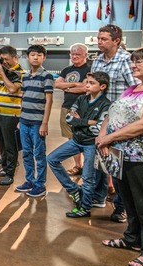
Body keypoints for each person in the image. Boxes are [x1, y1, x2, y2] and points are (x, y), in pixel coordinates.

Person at [97, 46, 143, 266]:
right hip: (120, 155)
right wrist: (102, 136)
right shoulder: (131, 89)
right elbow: (112, 112)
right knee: (128, 201)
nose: (134, 65)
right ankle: (132, 239)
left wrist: (110, 137)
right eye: (133, 61)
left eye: (140, 61)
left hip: (142, 157)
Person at [91, 24, 140, 223]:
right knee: (103, 162)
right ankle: (99, 197)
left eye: (103, 39)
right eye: (98, 38)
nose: (99, 42)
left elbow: (136, 88)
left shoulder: (126, 60)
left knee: (121, 167)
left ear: (116, 41)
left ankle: (121, 208)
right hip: (102, 119)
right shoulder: (96, 62)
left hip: (123, 121)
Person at [48, 71, 111, 217]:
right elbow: (69, 118)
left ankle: (85, 207)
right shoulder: (82, 99)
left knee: (88, 178)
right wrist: (86, 122)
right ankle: (74, 189)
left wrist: (78, 121)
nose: (87, 85)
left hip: (91, 145)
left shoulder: (106, 105)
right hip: (77, 141)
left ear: (102, 86)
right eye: (86, 82)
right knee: (52, 159)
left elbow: (98, 128)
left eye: (91, 83)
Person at [15, 45, 54, 197]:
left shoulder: (47, 76)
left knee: (39, 154)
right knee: (26, 153)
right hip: (24, 121)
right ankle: (29, 180)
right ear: (27, 57)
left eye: (39, 55)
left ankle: (40, 184)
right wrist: (20, 118)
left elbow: (49, 101)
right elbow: (23, 98)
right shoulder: (25, 76)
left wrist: (44, 123)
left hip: (37, 123)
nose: (35, 57)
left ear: (44, 57)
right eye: (32, 54)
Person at [0, 45, 25, 185]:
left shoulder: (19, 72)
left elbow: (13, 89)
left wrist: (2, 71)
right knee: (1, 144)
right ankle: (5, 167)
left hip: (11, 114)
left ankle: (10, 174)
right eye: (2, 59)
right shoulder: (0, 69)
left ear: (15, 57)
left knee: (10, 146)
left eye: (7, 59)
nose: (5, 62)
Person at [54, 43, 89, 177]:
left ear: (85, 55)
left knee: (84, 138)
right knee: (71, 138)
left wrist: (66, 87)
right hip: (66, 107)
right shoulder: (66, 70)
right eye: (72, 54)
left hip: (82, 109)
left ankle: (87, 167)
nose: (74, 57)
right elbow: (57, 84)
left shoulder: (89, 70)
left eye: (78, 54)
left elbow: (86, 88)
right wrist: (75, 84)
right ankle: (77, 166)